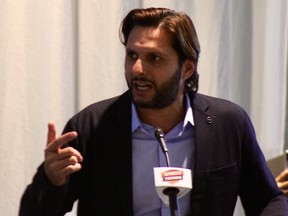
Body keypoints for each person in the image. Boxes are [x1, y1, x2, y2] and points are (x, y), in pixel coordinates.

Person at [19, 7, 288, 216]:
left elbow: (268, 199)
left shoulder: (228, 123)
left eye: (154, 59)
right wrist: (51, 180)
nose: (137, 69)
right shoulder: (92, 126)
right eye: (132, 56)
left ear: (187, 68)